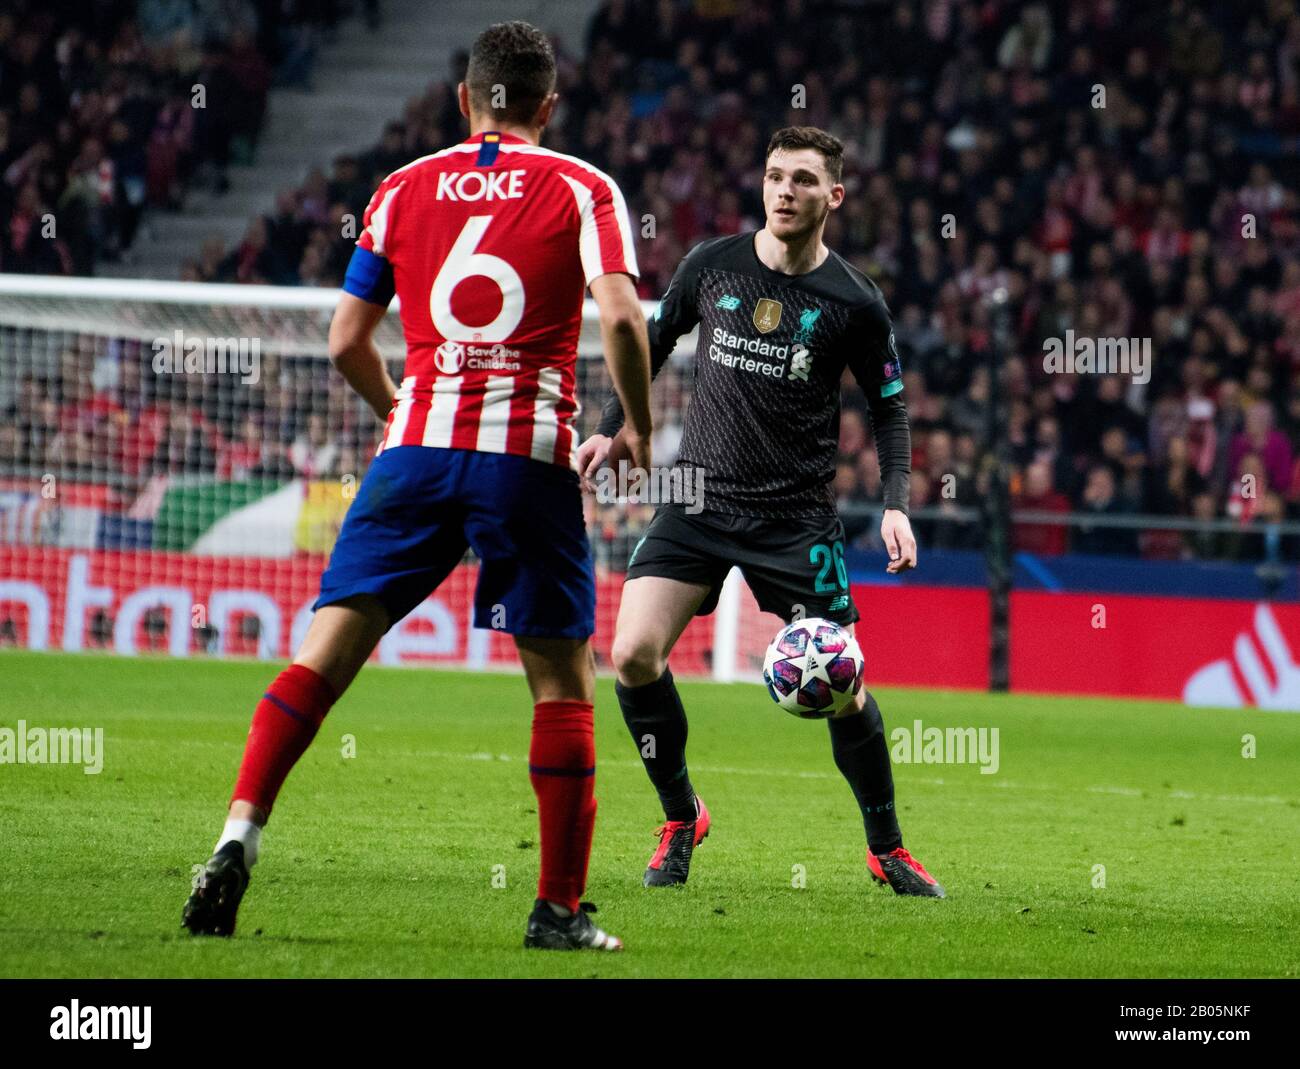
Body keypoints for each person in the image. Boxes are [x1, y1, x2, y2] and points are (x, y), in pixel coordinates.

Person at [182, 21, 653, 951]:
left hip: (415, 452)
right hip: (526, 455)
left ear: (464, 99)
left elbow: (345, 341)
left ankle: (238, 835)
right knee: (561, 677)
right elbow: (626, 323)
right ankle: (557, 910)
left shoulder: (401, 188)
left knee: (323, 655)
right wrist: (634, 421)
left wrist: (403, 408)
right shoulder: (585, 187)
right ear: (548, 106)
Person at [578, 127, 945, 898]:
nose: (783, 191)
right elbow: (649, 339)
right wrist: (613, 425)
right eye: (775, 176)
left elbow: (889, 408)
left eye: (803, 181)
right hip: (698, 499)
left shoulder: (854, 300)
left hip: (796, 520)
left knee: (845, 684)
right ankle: (682, 816)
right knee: (634, 653)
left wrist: (895, 505)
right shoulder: (711, 265)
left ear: (833, 197)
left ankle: (888, 848)